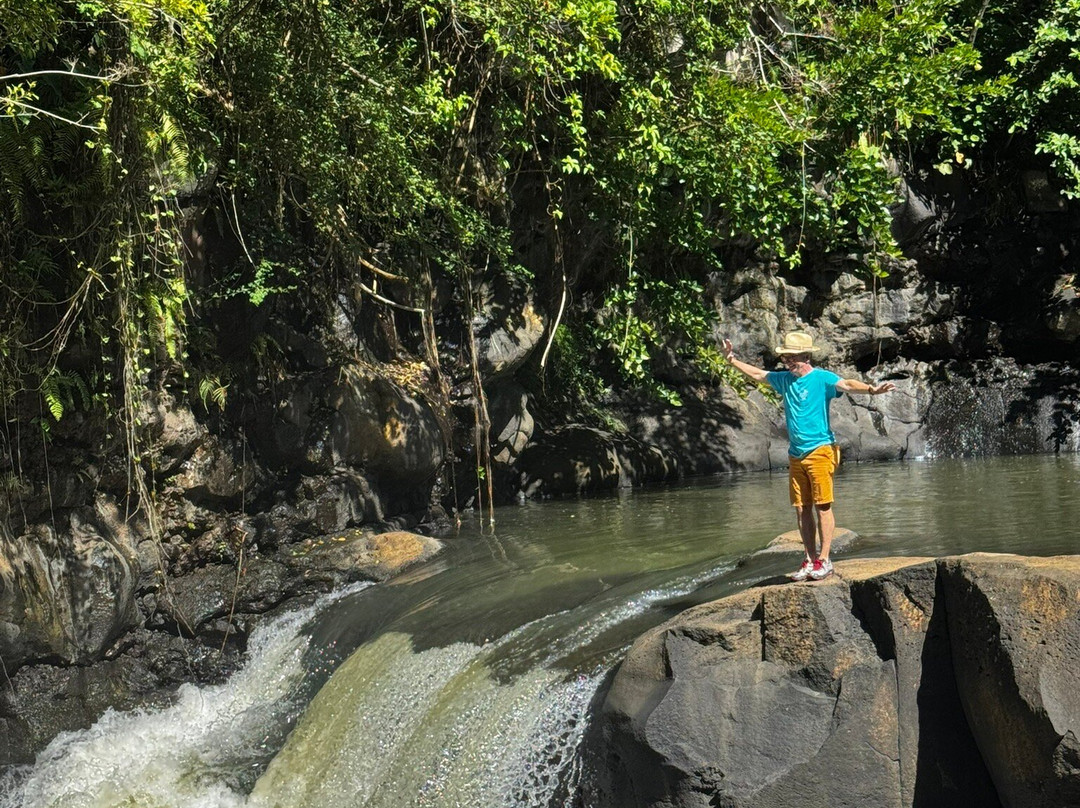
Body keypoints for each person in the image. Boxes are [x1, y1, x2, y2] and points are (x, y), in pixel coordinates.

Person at [723, 331, 896, 581]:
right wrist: (731, 360)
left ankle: (824, 561)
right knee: (802, 508)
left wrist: (872, 389)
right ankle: (809, 559)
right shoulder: (785, 380)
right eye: (785, 358)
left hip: (821, 451)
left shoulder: (822, 378)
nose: (787, 362)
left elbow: (847, 384)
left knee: (822, 506)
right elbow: (759, 375)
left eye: (791, 357)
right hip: (796, 455)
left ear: (805, 356)